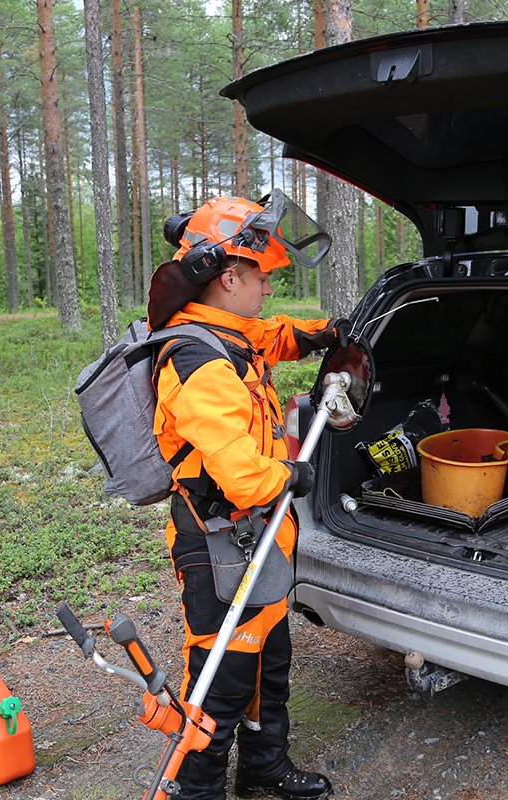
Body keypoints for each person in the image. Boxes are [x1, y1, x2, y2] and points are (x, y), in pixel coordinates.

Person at [150, 195, 342, 800]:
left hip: (260, 533)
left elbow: (272, 336)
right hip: (219, 539)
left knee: (269, 659)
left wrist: (323, 336)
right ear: (228, 278)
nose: (268, 287)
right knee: (223, 678)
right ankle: (197, 789)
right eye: (261, 276)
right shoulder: (198, 360)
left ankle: (264, 765)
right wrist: (293, 475)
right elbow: (241, 476)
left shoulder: (229, 333)